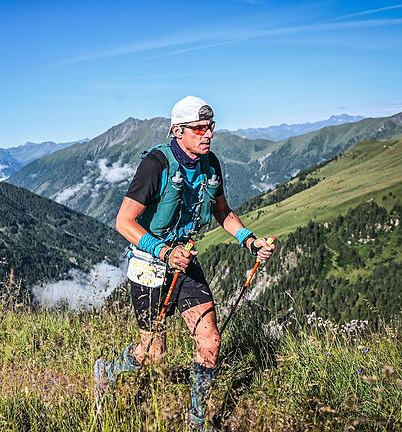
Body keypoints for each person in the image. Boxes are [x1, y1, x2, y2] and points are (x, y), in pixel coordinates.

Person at [93, 96, 276, 430]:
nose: (207, 134)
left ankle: (197, 421)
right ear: (178, 131)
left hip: (186, 261)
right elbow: (124, 222)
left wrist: (250, 241)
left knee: (210, 341)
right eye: (199, 128)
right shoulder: (156, 165)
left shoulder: (210, 164)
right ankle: (107, 369)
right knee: (152, 354)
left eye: (211, 128)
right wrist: (164, 252)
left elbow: (222, 210)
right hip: (151, 264)